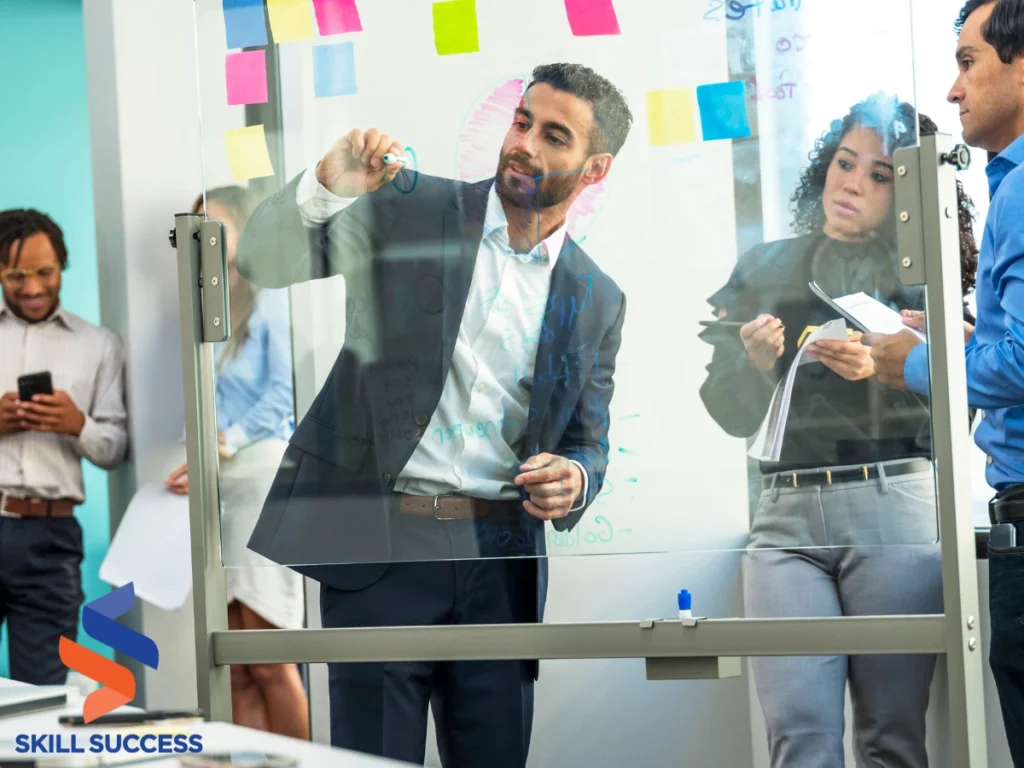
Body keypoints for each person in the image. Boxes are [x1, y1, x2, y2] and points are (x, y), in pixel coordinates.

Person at [234, 63, 632, 767]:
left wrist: (575, 475)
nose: (525, 145)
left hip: (501, 564)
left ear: (594, 168)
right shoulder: (410, 209)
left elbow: (588, 443)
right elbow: (265, 260)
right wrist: (326, 184)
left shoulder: (597, 297)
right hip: (381, 547)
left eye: (554, 136)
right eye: (522, 122)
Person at [698, 96, 979, 767]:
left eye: (879, 175)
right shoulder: (765, 266)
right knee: (798, 738)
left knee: (892, 737)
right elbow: (730, 414)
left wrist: (891, 370)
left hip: (895, 511)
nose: (850, 182)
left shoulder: (926, 275)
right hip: (784, 518)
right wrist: (757, 366)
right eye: (844, 163)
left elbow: (960, 411)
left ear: (908, 191)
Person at [864, 1, 1024, 763]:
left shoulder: (1022, 192)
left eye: (968, 63)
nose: (954, 91)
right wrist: (969, 343)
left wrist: (917, 365)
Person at [165, 187, 309, 740]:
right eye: (195, 230)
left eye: (214, 227)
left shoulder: (272, 297)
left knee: (271, 661)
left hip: (262, 480)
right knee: (239, 669)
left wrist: (229, 437)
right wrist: (196, 456)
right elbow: (201, 401)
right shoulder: (203, 310)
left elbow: (285, 392)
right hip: (219, 488)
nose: (202, 240)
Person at [0, 209, 128, 684]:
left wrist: (78, 425)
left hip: (50, 542)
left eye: (44, 273)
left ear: (62, 267)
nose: (32, 288)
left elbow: (114, 450)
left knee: (43, 692)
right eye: (15, 275)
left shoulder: (99, 345)